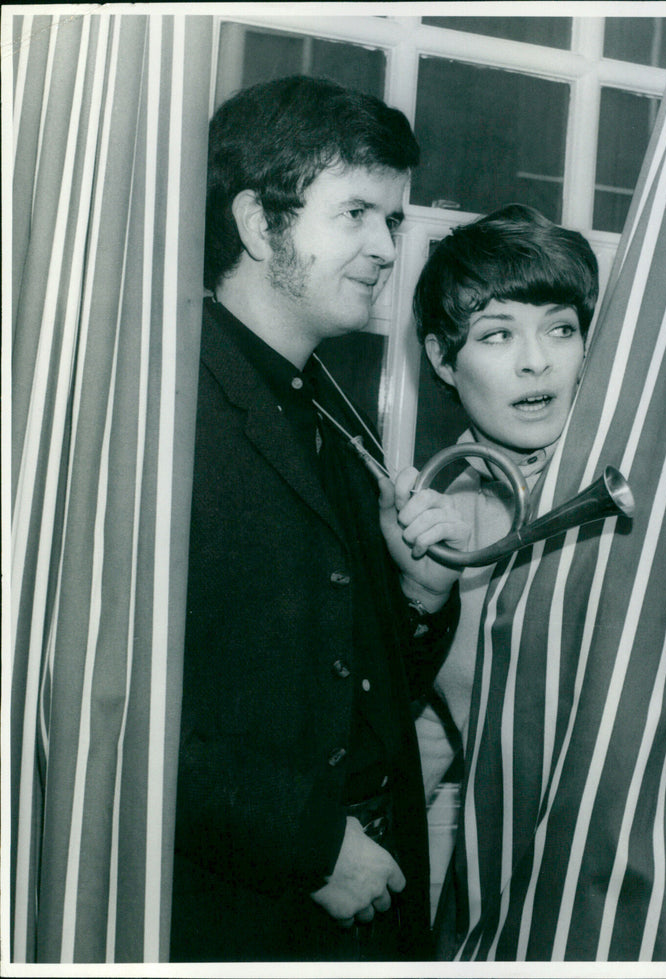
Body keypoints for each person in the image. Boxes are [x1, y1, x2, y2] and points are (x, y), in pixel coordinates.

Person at [170, 75, 465, 963]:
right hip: (242, 918)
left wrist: (417, 599)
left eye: (393, 221)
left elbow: (349, 687)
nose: (385, 248)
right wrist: (313, 845)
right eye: (358, 215)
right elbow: (116, 705)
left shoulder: (332, 408)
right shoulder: (165, 412)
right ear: (261, 224)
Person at [385, 203, 599, 955]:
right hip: (518, 888)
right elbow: (407, 752)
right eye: (498, 333)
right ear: (444, 360)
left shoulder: (646, 486)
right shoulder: (442, 529)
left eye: (561, 328)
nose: (537, 361)